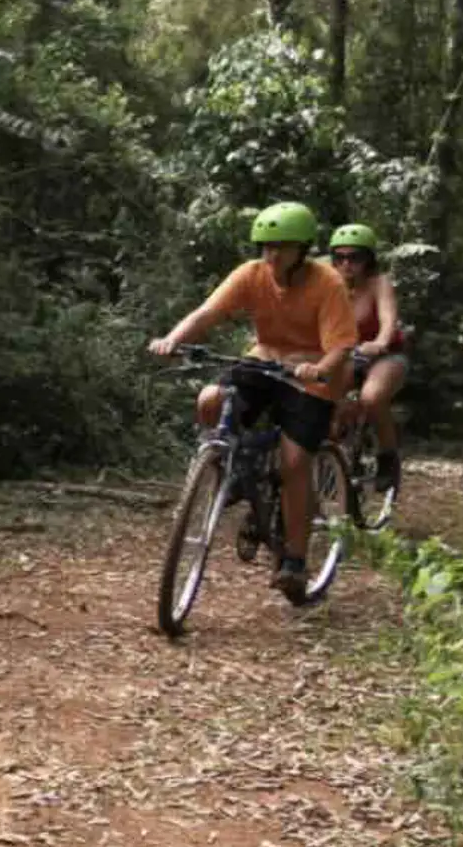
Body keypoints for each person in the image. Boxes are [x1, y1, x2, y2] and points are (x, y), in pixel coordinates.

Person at [148, 202, 359, 604]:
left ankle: (295, 561)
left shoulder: (327, 283)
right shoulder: (252, 274)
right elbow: (208, 311)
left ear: (302, 250)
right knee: (211, 399)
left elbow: (340, 347)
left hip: (311, 376)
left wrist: (318, 369)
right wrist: (174, 338)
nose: (272, 255)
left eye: (281, 246)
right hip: (263, 362)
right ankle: (229, 468)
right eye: (265, 246)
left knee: (296, 462)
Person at [328, 223, 407, 494]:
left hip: (385, 355)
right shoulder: (329, 285)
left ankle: (388, 459)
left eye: (355, 257)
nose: (347, 264)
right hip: (346, 356)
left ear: (368, 259)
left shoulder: (379, 283)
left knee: (371, 398)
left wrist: (381, 341)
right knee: (322, 401)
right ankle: (337, 459)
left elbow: (388, 318)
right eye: (340, 257)